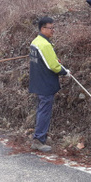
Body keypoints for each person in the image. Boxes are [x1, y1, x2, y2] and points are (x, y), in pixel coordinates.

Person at [28, 17, 69, 152]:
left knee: (41, 109)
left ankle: (39, 136)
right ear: (42, 29)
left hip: (37, 81)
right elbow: (53, 65)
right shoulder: (44, 44)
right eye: (50, 28)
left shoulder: (35, 42)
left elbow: (47, 60)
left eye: (53, 27)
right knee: (44, 111)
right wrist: (64, 71)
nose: (53, 30)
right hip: (45, 82)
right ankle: (39, 139)